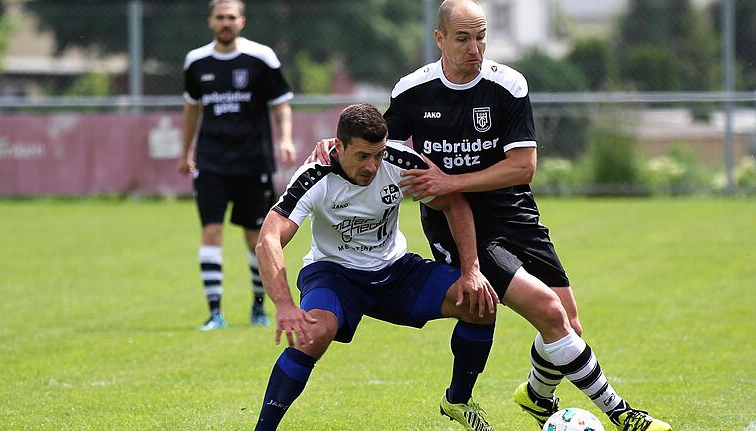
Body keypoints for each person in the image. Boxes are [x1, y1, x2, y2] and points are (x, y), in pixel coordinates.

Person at [307, 2, 673, 430]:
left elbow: (523, 167)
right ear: (440, 39)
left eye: (481, 37)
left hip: (514, 212)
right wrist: (336, 143)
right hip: (456, 223)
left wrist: (452, 180)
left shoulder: (508, 85)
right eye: (463, 38)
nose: (474, 48)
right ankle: (622, 414)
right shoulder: (413, 90)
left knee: (568, 323)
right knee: (549, 312)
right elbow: (376, 140)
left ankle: (537, 397)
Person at [254, 104, 501, 431]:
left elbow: (453, 202)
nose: (373, 166)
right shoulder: (316, 176)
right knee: (311, 335)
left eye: (379, 155)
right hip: (335, 273)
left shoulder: (400, 162)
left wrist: (471, 270)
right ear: (339, 147)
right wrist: (284, 305)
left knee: (481, 306)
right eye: (362, 157)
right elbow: (268, 239)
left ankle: (457, 400)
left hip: (395, 271)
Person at [179, 0, 296, 330]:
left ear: (242, 21)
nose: (225, 22)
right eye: (220, 17)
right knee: (211, 231)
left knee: (255, 237)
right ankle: (214, 312)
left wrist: (285, 138)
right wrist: (184, 152)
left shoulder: (261, 58)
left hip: (252, 162)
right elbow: (192, 110)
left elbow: (281, 105)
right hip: (211, 163)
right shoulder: (196, 62)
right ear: (211, 21)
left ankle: (258, 308)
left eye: (231, 17)